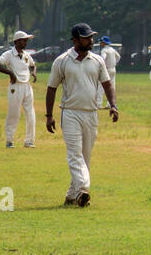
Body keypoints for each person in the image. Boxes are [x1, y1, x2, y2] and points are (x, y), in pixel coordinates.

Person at [46, 23, 118, 208]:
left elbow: (107, 84)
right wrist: (49, 115)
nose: (91, 41)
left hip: (91, 113)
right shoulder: (62, 61)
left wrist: (113, 105)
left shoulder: (97, 60)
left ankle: (72, 194)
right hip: (70, 113)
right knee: (75, 155)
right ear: (76, 40)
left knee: (85, 157)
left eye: (92, 37)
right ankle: (84, 188)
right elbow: (51, 88)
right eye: (87, 38)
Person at [0, 30, 37, 148]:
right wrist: (10, 73)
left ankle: (29, 141)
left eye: (27, 40)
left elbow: (33, 65)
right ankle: (9, 140)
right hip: (15, 87)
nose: (26, 43)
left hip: (27, 86)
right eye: (24, 40)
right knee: (14, 113)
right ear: (16, 42)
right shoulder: (8, 54)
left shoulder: (26, 55)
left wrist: (33, 73)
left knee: (30, 113)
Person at [96, 36, 121, 109]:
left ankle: (98, 104)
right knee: (112, 86)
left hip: (106, 69)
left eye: (101, 42)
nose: (100, 43)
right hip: (113, 69)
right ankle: (110, 104)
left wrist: (102, 66)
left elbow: (103, 58)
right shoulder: (112, 49)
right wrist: (114, 63)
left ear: (104, 42)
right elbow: (118, 57)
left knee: (101, 86)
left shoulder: (104, 50)